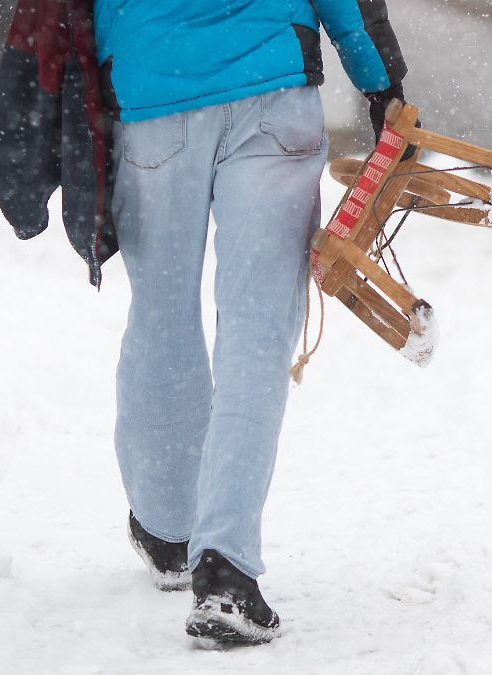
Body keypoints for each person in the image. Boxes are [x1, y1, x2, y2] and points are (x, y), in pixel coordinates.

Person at [95, 0, 407, 644]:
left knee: (160, 316)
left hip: (150, 90)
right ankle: (226, 569)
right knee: (257, 334)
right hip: (272, 87)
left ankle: (167, 529)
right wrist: (382, 84)